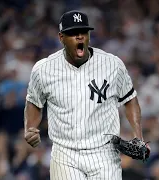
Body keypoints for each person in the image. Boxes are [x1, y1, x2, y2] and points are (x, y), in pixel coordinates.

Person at [24, 10, 150, 180]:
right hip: (65, 153)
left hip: (104, 152)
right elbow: (34, 102)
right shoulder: (44, 69)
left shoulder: (112, 64)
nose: (80, 37)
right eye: (73, 33)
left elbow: (130, 99)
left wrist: (138, 136)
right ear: (61, 37)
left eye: (83, 32)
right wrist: (30, 128)